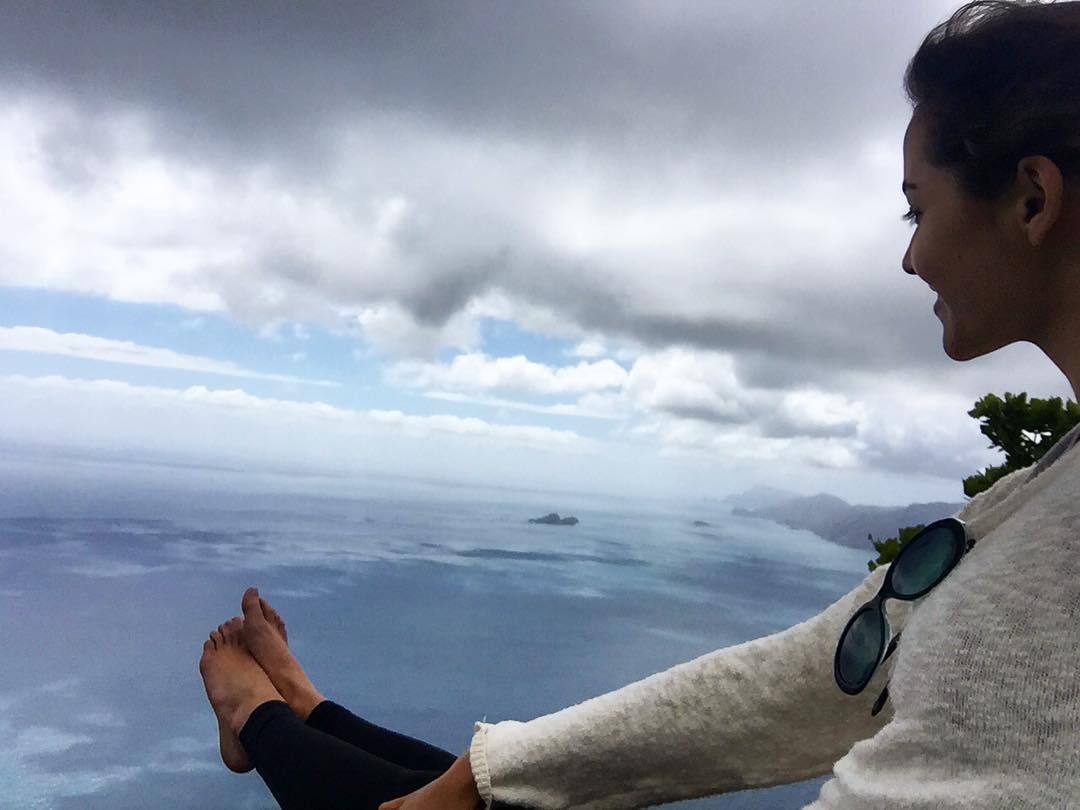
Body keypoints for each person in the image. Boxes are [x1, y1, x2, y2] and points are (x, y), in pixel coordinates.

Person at [198, 0, 1080, 807]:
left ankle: (261, 718)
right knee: (472, 796)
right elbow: (825, 669)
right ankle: (302, 711)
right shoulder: (1046, 492)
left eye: (916, 212)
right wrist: (480, 778)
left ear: (1033, 200)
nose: (910, 258)